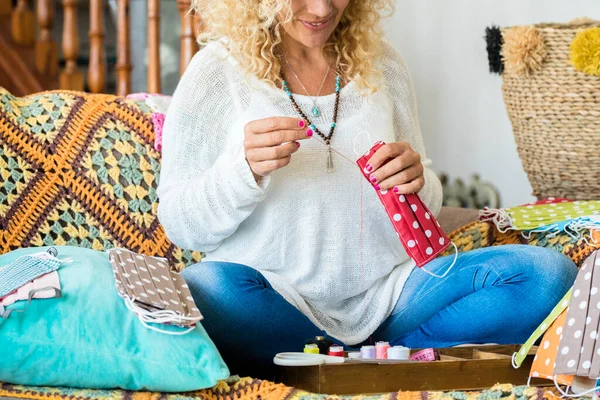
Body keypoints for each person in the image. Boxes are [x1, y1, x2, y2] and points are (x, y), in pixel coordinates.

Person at [157, 0, 577, 376]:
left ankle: (344, 360)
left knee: (546, 276)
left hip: (391, 297)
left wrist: (417, 179)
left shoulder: (383, 64)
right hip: (275, 299)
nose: (321, 10)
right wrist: (241, 172)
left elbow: (425, 199)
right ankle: (382, 360)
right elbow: (180, 223)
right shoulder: (217, 71)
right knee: (204, 288)